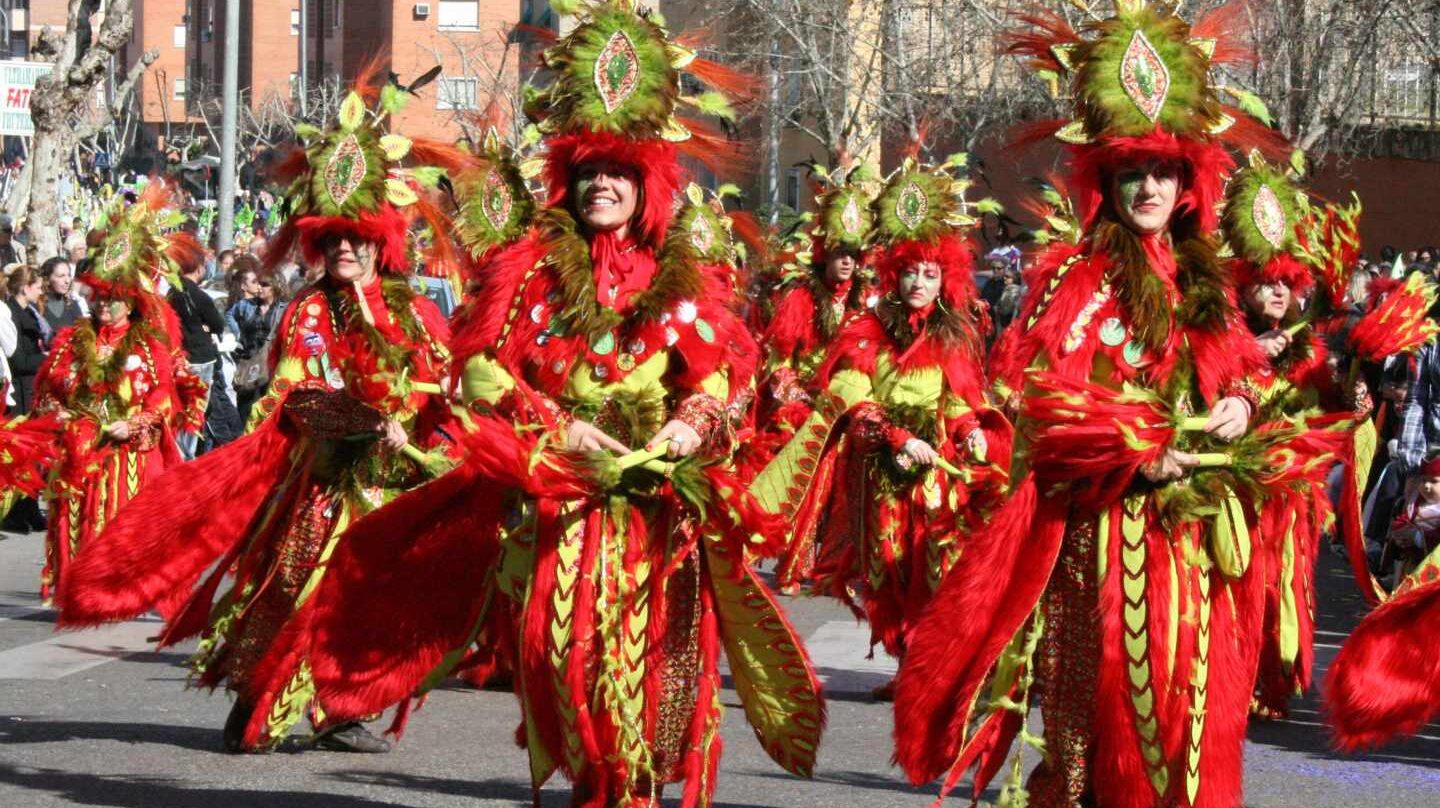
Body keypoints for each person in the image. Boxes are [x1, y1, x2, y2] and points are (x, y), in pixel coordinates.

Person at [274, 5, 823, 804]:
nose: (602, 183)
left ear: (647, 183)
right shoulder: (531, 271)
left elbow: (716, 376)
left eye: (619, 171)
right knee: (560, 654)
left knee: (645, 660)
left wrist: (684, 424)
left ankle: (626, 785)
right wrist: (563, 426)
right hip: (557, 495)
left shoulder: (680, 274)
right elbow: (487, 373)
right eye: (589, 169)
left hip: (650, 502)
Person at [894, 5, 1283, 806]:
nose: (1147, 187)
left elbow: (1244, 372)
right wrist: (1137, 445)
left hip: (1193, 544)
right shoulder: (1078, 279)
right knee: (1084, 743)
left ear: (1188, 184)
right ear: (1104, 181)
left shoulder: (1205, 283)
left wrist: (1241, 404)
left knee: (1188, 722)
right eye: (1131, 171)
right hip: (1099, 539)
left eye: (1163, 172)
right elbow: (1040, 401)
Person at [56, 68, 460, 755]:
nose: (342, 250)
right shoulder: (306, 311)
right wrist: (362, 420)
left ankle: (341, 709)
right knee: (287, 591)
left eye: (355, 238)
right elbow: (297, 395)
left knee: (365, 607)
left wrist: (433, 444)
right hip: (319, 487)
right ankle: (255, 699)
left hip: (392, 488)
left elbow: (445, 392)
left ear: (381, 241)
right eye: (330, 239)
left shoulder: (419, 314)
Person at [754, 154, 1011, 697]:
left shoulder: (954, 334)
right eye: (910, 272)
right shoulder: (868, 329)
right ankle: (906, 665)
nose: (919, 282)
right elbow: (856, 402)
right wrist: (897, 436)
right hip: (880, 470)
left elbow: (959, 400)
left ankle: (935, 665)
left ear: (946, 278)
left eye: (930, 273)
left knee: (937, 564)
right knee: (888, 571)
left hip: (937, 471)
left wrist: (970, 432)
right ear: (895, 275)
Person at [32, 185, 206, 604]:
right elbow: (48, 390)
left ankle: (119, 589)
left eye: (112, 300)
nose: (104, 307)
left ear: (130, 301)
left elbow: (170, 393)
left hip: (130, 451)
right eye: (98, 298)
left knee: (123, 519)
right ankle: (78, 587)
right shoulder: (73, 339)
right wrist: (63, 420)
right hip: (81, 445)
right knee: (76, 517)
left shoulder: (150, 344)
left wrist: (135, 423)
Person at [754, 164, 878, 592]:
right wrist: (795, 401)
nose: (848, 262)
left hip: (856, 408)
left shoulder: (871, 300)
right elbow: (779, 359)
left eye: (855, 254)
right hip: (812, 409)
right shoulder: (801, 298)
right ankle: (798, 560)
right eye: (841, 252)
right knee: (812, 480)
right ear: (825, 252)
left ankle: (840, 565)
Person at [167, 250, 232, 457]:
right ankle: (186, 456)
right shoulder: (198, 295)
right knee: (194, 413)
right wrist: (206, 326)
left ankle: (179, 453)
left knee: (178, 411)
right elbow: (218, 324)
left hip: (178, 359)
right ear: (197, 268)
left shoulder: (169, 294)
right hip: (200, 360)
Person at [39, 256, 89, 332]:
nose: (67, 281)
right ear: (47, 279)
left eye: (69, 275)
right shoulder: (37, 306)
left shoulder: (72, 305)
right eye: (61, 276)